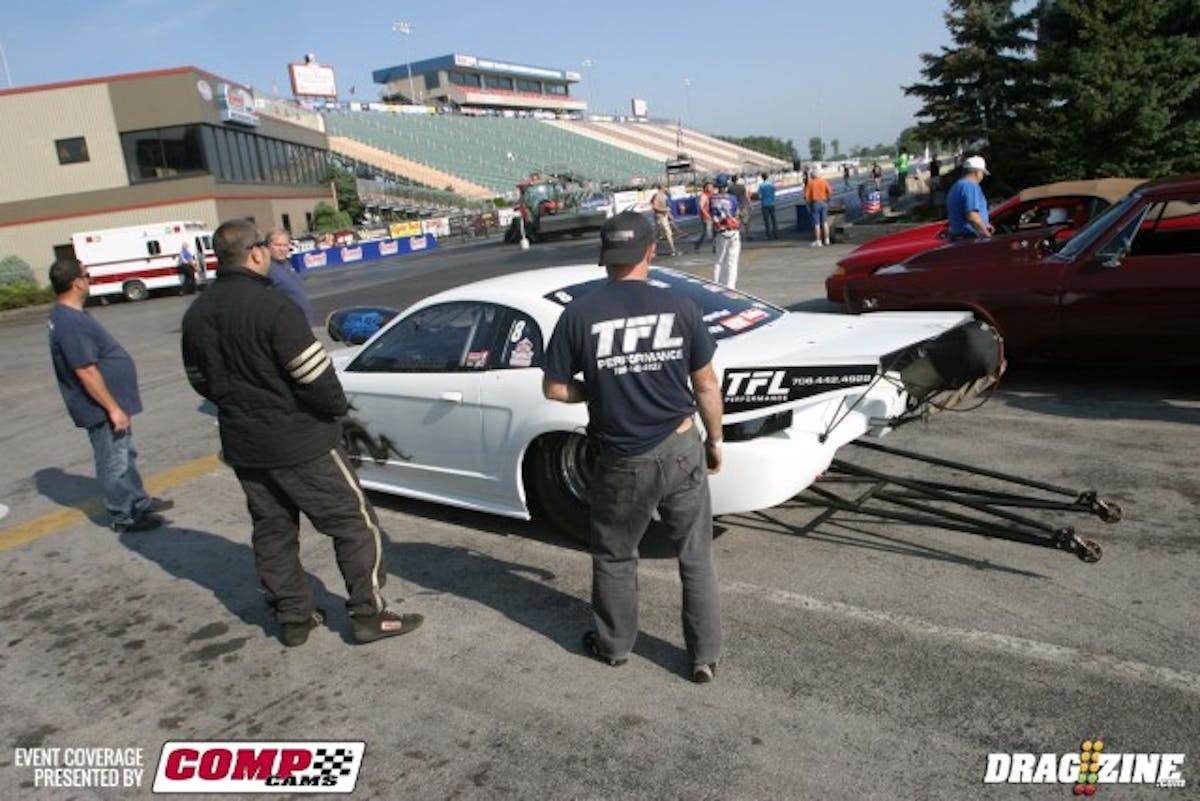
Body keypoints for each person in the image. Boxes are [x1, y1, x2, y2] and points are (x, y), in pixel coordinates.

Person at [181, 218, 423, 647]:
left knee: (273, 531)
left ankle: (293, 618)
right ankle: (369, 612)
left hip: (244, 444)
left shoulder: (198, 313)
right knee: (355, 523)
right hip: (301, 441)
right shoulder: (274, 307)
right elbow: (317, 378)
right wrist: (333, 412)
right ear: (256, 253)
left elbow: (198, 379)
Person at [542, 211, 723, 684]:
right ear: (650, 251)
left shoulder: (578, 315)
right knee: (696, 556)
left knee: (616, 555)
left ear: (604, 256)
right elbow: (706, 385)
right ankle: (704, 657)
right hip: (683, 443)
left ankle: (615, 646)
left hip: (623, 459)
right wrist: (716, 440)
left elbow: (555, 389)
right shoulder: (682, 306)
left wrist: (595, 389)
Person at [47, 258, 172, 533]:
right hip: (100, 407)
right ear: (76, 283)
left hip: (110, 402)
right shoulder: (69, 322)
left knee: (125, 453)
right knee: (114, 460)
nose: (89, 279)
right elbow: (85, 370)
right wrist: (112, 408)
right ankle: (124, 515)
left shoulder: (71, 316)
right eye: (87, 274)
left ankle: (137, 501)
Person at [265, 228, 313, 325]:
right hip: (287, 326)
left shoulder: (287, 264)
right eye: (278, 245)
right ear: (267, 246)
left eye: (285, 245)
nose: (282, 249)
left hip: (303, 323)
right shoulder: (266, 268)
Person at [945, 155, 995, 241]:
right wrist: (987, 235)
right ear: (977, 172)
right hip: (969, 238)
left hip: (957, 237)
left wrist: (985, 224)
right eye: (982, 173)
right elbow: (972, 216)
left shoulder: (957, 186)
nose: (982, 177)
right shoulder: (970, 186)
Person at [709, 176, 742, 288]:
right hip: (732, 231)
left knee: (718, 260)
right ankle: (730, 287)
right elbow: (737, 213)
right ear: (726, 185)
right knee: (732, 263)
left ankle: (716, 284)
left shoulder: (712, 199)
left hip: (720, 231)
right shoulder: (732, 198)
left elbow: (711, 214)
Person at [805, 169, 833, 247]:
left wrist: (808, 205)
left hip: (815, 203)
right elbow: (830, 191)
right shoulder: (824, 181)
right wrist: (828, 200)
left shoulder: (810, 183)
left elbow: (807, 197)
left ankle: (818, 240)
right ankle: (827, 239)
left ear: (812, 175)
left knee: (816, 223)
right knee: (825, 222)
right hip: (824, 202)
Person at [650, 183, 677, 256]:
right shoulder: (657, 195)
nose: (666, 189)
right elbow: (654, 207)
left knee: (661, 234)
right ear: (662, 188)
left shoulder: (664, 196)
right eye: (665, 187)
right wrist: (665, 210)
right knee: (666, 233)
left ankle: (653, 251)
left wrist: (669, 214)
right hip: (660, 217)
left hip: (663, 216)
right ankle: (673, 250)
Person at [692, 181, 715, 252]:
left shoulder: (712, 194)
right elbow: (701, 207)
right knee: (709, 233)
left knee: (710, 232)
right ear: (705, 188)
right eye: (709, 187)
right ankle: (715, 247)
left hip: (713, 215)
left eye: (711, 187)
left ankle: (698, 243)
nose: (711, 188)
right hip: (706, 217)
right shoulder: (704, 196)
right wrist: (707, 215)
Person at [728, 174, 751, 240]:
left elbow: (729, 197)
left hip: (734, 206)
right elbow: (746, 195)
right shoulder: (742, 186)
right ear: (737, 180)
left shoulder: (730, 188)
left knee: (736, 221)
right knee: (746, 221)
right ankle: (748, 235)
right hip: (743, 205)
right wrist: (749, 203)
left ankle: (737, 235)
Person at [757, 172, 778, 240]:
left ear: (762, 178)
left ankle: (768, 235)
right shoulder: (771, 185)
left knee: (767, 221)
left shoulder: (761, 186)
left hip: (764, 204)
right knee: (773, 220)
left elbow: (759, 196)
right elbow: (774, 192)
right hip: (772, 203)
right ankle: (775, 234)